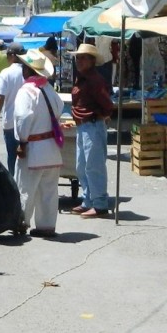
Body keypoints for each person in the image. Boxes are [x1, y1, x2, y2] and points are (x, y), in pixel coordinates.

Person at [13, 49, 64, 238]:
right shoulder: (48, 88)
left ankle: (21, 222)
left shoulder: (26, 91)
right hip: (51, 147)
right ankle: (47, 225)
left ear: (27, 70)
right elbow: (59, 109)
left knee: (26, 187)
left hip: (33, 147)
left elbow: (23, 117)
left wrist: (22, 140)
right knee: (49, 190)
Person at [68, 43, 113, 218]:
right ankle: (88, 200)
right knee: (82, 166)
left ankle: (100, 204)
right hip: (84, 125)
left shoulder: (95, 80)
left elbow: (107, 104)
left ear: (92, 60)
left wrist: (101, 115)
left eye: (83, 57)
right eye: (78, 57)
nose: (79, 60)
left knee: (94, 166)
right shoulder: (83, 77)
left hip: (92, 125)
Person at [0, 42, 27, 176]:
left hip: (11, 122)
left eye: (7, 55)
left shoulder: (6, 73)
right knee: (26, 157)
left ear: (12, 56)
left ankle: (15, 188)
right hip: (27, 123)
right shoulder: (29, 71)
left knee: (13, 157)